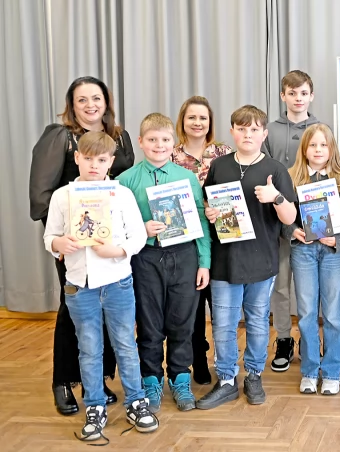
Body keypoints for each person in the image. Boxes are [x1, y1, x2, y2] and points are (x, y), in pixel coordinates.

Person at [43, 131, 158, 443]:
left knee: (125, 344)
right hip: (79, 287)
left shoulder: (121, 194)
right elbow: (49, 236)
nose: (94, 165)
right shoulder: (62, 196)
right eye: (88, 158)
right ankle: (94, 406)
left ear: (111, 162)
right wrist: (58, 243)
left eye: (102, 159)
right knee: (89, 348)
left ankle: (136, 401)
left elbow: (137, 236)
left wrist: (117, 250)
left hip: (118, 282)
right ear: (77, 158)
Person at [29, 75, 134, 415]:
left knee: (107, 311)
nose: (90, 105)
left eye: (96, 98)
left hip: (110, 245)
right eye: (82, 100)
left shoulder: (120, 137)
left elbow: (124, 184)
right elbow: (41, 197)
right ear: (72, 106)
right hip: (73, 246)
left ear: (106, 102)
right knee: (71, 311)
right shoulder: (60, 137)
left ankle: (96, 381)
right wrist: (61, 242)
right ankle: (63, 381)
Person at [197, 105, 298, 410]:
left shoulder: (276, 170)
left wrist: (275, 197)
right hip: (225, 260)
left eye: (254, 129)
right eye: (241, 129)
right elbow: (207, 205)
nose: (247, 134)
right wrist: (209, 212)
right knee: (224, 324)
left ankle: (254, 375)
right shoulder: (219, 166)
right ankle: (227, 380)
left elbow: (290, 217)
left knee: (256, 322)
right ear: (232, 132)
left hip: (261, 261)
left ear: (264, 134)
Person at [116, 113, 211, 413]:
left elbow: (200, 220)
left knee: (182, 322)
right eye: (152, 139)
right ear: (141, 142)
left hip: (184, 256)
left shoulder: (186, 178)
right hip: (145, 258)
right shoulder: (125, 181)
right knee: (149, 323)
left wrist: (204, 262)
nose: (159, 145)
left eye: (165, 139)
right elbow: (115, 226)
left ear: (174, 143)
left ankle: (180, 378)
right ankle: (151, 379)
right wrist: (141, 230)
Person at [284, 124, 340, 395]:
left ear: (331, 149)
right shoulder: (291, 177)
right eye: (312, 145)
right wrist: (293, 231)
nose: (318, 150)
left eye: (323, 145)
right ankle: (310, 370)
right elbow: (280, 217)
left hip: (333, 253)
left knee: (334, 314)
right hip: (303, 251)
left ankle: (333, 371)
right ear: (304, 149)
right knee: (306, 313)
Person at [171, 95, 233, 386]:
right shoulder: (170, 155)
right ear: (182, 121)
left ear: (210, 122)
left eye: (203, 118)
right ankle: (198, 358)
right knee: (192, 305)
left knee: (220, 304)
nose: (197, 122)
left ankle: (224, 361)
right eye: (192, 117)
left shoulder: (224, 153)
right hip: (185, 241)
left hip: (222, 238)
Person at [264, 70, 321, 373]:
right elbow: (263, 172)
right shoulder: (270, 130)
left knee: (311, 286)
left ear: (311, 96)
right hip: (278, 217)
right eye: (292, 93)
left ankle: (310, 339)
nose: (298, 99)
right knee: (282, 284)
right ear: (283, 96)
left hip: (313, 214)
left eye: (303, 93)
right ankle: (284, 338)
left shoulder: (321, 129)